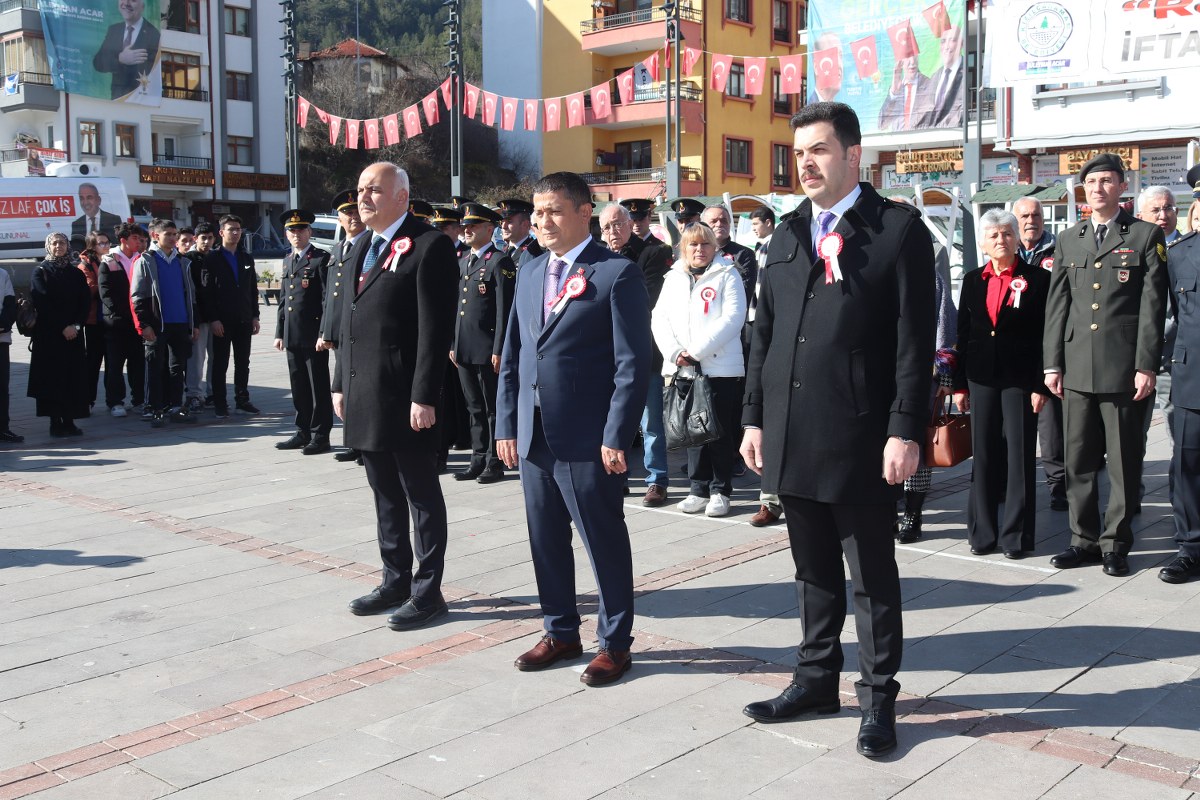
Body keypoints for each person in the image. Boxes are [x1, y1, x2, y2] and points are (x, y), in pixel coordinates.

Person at [739, 103, 934, 759]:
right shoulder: (787, 231)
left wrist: (905, 429)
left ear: (854, 155)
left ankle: (878, 701)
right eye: (799, 152)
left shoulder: (897, 231)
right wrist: (754, 416)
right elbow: (763, 334)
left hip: (860, 436)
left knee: (871, 580)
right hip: (792, 432)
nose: (806, 163)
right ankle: (815, 681)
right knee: (811, 572)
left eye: (819, 149)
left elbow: (914, 343)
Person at [496, 171, 651, 686]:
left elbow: (633, 364)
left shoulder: (615, 273)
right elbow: (517, 355)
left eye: (554, 211)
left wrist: (616, 434)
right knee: (545, 540)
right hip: (535, 433)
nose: (541, 221)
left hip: (589, 438)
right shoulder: (530, 270)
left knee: (602, 540)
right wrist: (507, 424)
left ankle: (615, 642)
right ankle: (560, 630)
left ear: (585, 213)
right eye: (537, 213)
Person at [333, 161, 458, 631]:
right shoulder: (361, 245)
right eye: (361, 189)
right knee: (384, 493)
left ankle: (428, 593)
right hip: (366, 393)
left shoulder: (430, 247)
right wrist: (340, 382)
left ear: (402, 197)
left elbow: (434, 329)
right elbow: (349, 321)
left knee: (420, 496)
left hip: (407, 398)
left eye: (375, 190)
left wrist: (424, 395)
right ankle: (395, 580)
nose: (364, 198)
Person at [1044, 153, 1168, 578]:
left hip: (1121, 368)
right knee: (1077, 460)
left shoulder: (1145, 235)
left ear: (1121, 187)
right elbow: (1057, 306)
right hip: (1076, 368)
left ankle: (1116, 543)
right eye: (1091, 182)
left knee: (1123, 461)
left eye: (1106, 181)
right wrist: (1051, 364)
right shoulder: (1069, 239)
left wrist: (1146, 365)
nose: (1097, 188)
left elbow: (1153, 308)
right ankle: (1083, 540)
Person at [953, 210, 1050, 558]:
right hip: (981, 378)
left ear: (1016, 238)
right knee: (984, 456)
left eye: (1007, 234)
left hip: (1021, 381)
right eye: (993, 235)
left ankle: (1017, 537)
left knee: (1020, 458)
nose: (1000, 241)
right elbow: (963, 334)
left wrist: (1041, 385)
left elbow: (1046, 335)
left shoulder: (1038, 279)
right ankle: (982, 533)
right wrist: (960, 385)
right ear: (982, 242)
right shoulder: (972, 279)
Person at [652, 222, 746, 517]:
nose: (699, 250)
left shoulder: (728, 274)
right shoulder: (674, 277)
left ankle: (720, 490)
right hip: (683, 368)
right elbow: (659, 317)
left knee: (717, 430)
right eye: (693, 245)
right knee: (692, 431)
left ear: (714, 247)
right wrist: (676, 352)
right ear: (683, 248)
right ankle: (698, 488)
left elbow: (733, 317)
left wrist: (696, 351)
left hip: (718, 367)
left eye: (705, 244)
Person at [887, 195, 958, 544]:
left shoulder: (927, 270)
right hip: (878, 376)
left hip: (919, 377)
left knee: (917, 446)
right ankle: (886, 511)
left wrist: (945, 378)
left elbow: (945, 326)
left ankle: (912, 515)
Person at [599, 202, 671, 506]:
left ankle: (656, 480)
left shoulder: (653, 254)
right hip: (605, 355)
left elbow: (648, 299)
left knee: (650, 422)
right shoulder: (597, 259)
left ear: (630, 225)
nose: (613, 231)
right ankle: (617, 475)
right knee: (612, 420)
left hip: (644, 352)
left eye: (618, 224)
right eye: (606, 227)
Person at [451, 202, 515, 484]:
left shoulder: (500, 261)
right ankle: (477, 457)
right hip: (465, 347)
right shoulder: (465, 261)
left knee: (492, 408)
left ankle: (494, 460)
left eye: (473, 226)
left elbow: (505, 309)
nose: (466, 230)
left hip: (488, 348)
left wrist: (500, 348)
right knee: (473, 406)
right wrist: (454, 344)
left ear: (489, 229)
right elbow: (458, 308)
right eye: (465, 226)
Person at [1013, 196, 1066, 510]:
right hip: (1015, 352)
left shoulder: (1059, 250)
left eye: (1036, 215)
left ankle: (1059, 486)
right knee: (1014, 424)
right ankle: (1011, 484)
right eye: (1024, 216)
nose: (1031, 220)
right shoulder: (1006, 250)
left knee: (1051, 427)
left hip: (1048, 350)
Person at [1162, 205, 1200, 584]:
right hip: (1192, 376)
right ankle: (1190, 549)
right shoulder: (1179, 254)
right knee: (1187, 466)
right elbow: (1172, 313)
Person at [274, 209, 333, 454]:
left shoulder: (320, 259)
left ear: (310, 231)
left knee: (317, 386)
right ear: (286, 234)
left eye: (301, 229)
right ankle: (302, 431)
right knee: (298, 385)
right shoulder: (288, 260)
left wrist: (324, 333)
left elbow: (326, 299)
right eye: (292, 230)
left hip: (313, 335)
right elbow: (283, 299)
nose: (296, 234)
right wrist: (279, 332)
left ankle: (321, 435)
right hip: (292, 334)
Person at [131, 219, 198, 427]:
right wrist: (144, 324)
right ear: (155, 236)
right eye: (167, 234)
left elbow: (191, 295)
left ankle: (176, 406)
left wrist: (193, 323)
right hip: (157, 322)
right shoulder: (146, 260)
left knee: (177, 367)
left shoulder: (182, 261)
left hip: (180, 321)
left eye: (174, 234)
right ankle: (153, 408)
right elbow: (137, 296)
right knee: (154, 366)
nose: (172, 238)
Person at [319, 190, 370, 464]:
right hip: (339, 331)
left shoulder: (370, 246)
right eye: (346, 213)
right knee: (344, 388)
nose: (352, 216)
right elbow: (331, 295)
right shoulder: (338, 250)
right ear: (338, 219)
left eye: (355, 211)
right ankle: (353, 440)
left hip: (359, 331)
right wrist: (326, 331)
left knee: (359, 387)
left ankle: (364, 443)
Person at [28, 233, 91, 436]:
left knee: (72, 377)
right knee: (52, 379)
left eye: (62, 243)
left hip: (73, 335)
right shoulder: (40, 272)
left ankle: (70, 420)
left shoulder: (76, 274)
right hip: (50, 336)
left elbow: (84, 303)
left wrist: (76, 326)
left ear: (68, 245)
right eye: (54, 243)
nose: (58, 246)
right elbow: (42, 303)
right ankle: (55, 421)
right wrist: (63, 326)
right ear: (48, 246)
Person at [201, 214, 260, 418]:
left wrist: (255, 315)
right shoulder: (213, 258)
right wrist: (213, 319)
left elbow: (252, 289)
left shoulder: (245, 257)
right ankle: (220, 402)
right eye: (231, 229)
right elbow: (207, 292)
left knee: (243, 362)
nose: (235, 233)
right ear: (221, 233)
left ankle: (242, 400)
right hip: (222, 321)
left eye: (238, 229)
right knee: (220, 363)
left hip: (244, 318)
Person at [746, 205, 783, 526]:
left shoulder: (783, 244)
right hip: (761, 331)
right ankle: (769, 500)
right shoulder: (760, 250)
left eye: (758, 223)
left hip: (789, 337)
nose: (755, 228)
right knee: (767, 421)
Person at [1138, 186, 1182, 446]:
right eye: (1155, 210)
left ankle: (1182, 488)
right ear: (1141, 215)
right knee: (1131, 440)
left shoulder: (1192, 248)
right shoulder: (1131, 251)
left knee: (1182, 437)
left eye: (1168, 208)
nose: (1163, 215)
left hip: (1177, 358)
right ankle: (1133, 489)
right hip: (1138, 358)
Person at [99, 223, 147, 417]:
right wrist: (124, 314)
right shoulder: (109, 261)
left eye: (141, 239)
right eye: (135, 238)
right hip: (117, 323)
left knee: (138, 364)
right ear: (123, 241)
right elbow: (106, 293)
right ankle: (115, 402)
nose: (139, 242)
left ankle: (139, 400)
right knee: (115, 365)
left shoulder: (142, 259)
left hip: (138, 322)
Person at [92, 0, 161, 100]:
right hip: (116, 99)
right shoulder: (114, 30)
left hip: (140, 101)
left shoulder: (154, 35)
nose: (126, 3)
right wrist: (120, 59)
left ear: (143, 6)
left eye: (133, 0)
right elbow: (98, 63)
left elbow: (153, 73)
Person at [183, 222, 215, 413]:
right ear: (196, 239)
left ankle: (212, 393)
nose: (206, 241)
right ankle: (194, 394)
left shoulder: (216, 258)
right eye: (203, 238)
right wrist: (193, 320)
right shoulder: (188, 259)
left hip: (216, 317)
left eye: (210, 238)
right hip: (199, 317)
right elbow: (189, 292)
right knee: (196, 358)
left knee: (216, 357)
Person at [78, 231, 112, 410]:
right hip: (94, 320)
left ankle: (113, 400)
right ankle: (87, 399)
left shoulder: (111, 260)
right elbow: (90, 290)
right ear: (92, 246)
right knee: (93, 362)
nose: (106, 246)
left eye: (107, 242)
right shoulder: (86, 265)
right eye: (101, 243)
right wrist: (108, 284)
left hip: (111, 319)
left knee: (112, 362)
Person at [701, 205, 757, 303]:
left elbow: (744, 292)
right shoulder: (697, 253)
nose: (719, 224)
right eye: (713, 221)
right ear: (703, 225)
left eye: (724, 221)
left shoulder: (744, 254)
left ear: (729, 224)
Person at [924, 24, 964, 129]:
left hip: (957, 130)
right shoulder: (934, 77)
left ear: (961, 44)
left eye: (952, 40)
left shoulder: (969, 71)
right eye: (943, 41)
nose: (946, 46)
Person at [878, 56, 932, 132]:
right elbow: (882, 124)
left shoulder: (929, 85)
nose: (912, 61)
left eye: (915, 56)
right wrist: (893, 94)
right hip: (899, 142)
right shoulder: (896, 89)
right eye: (908, 57)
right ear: (900, 61)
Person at [0, 266, 21, 443]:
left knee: (2, 386)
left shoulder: (2, 274)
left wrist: (4, 323)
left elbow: (9, 302)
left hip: (1, 338)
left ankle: (3, 428)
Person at [498, 198, 543, 268]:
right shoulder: (501, 252)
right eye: (502, 222)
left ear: (525, 224)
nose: (503, 226)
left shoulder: (535, 251)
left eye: (509, 221)